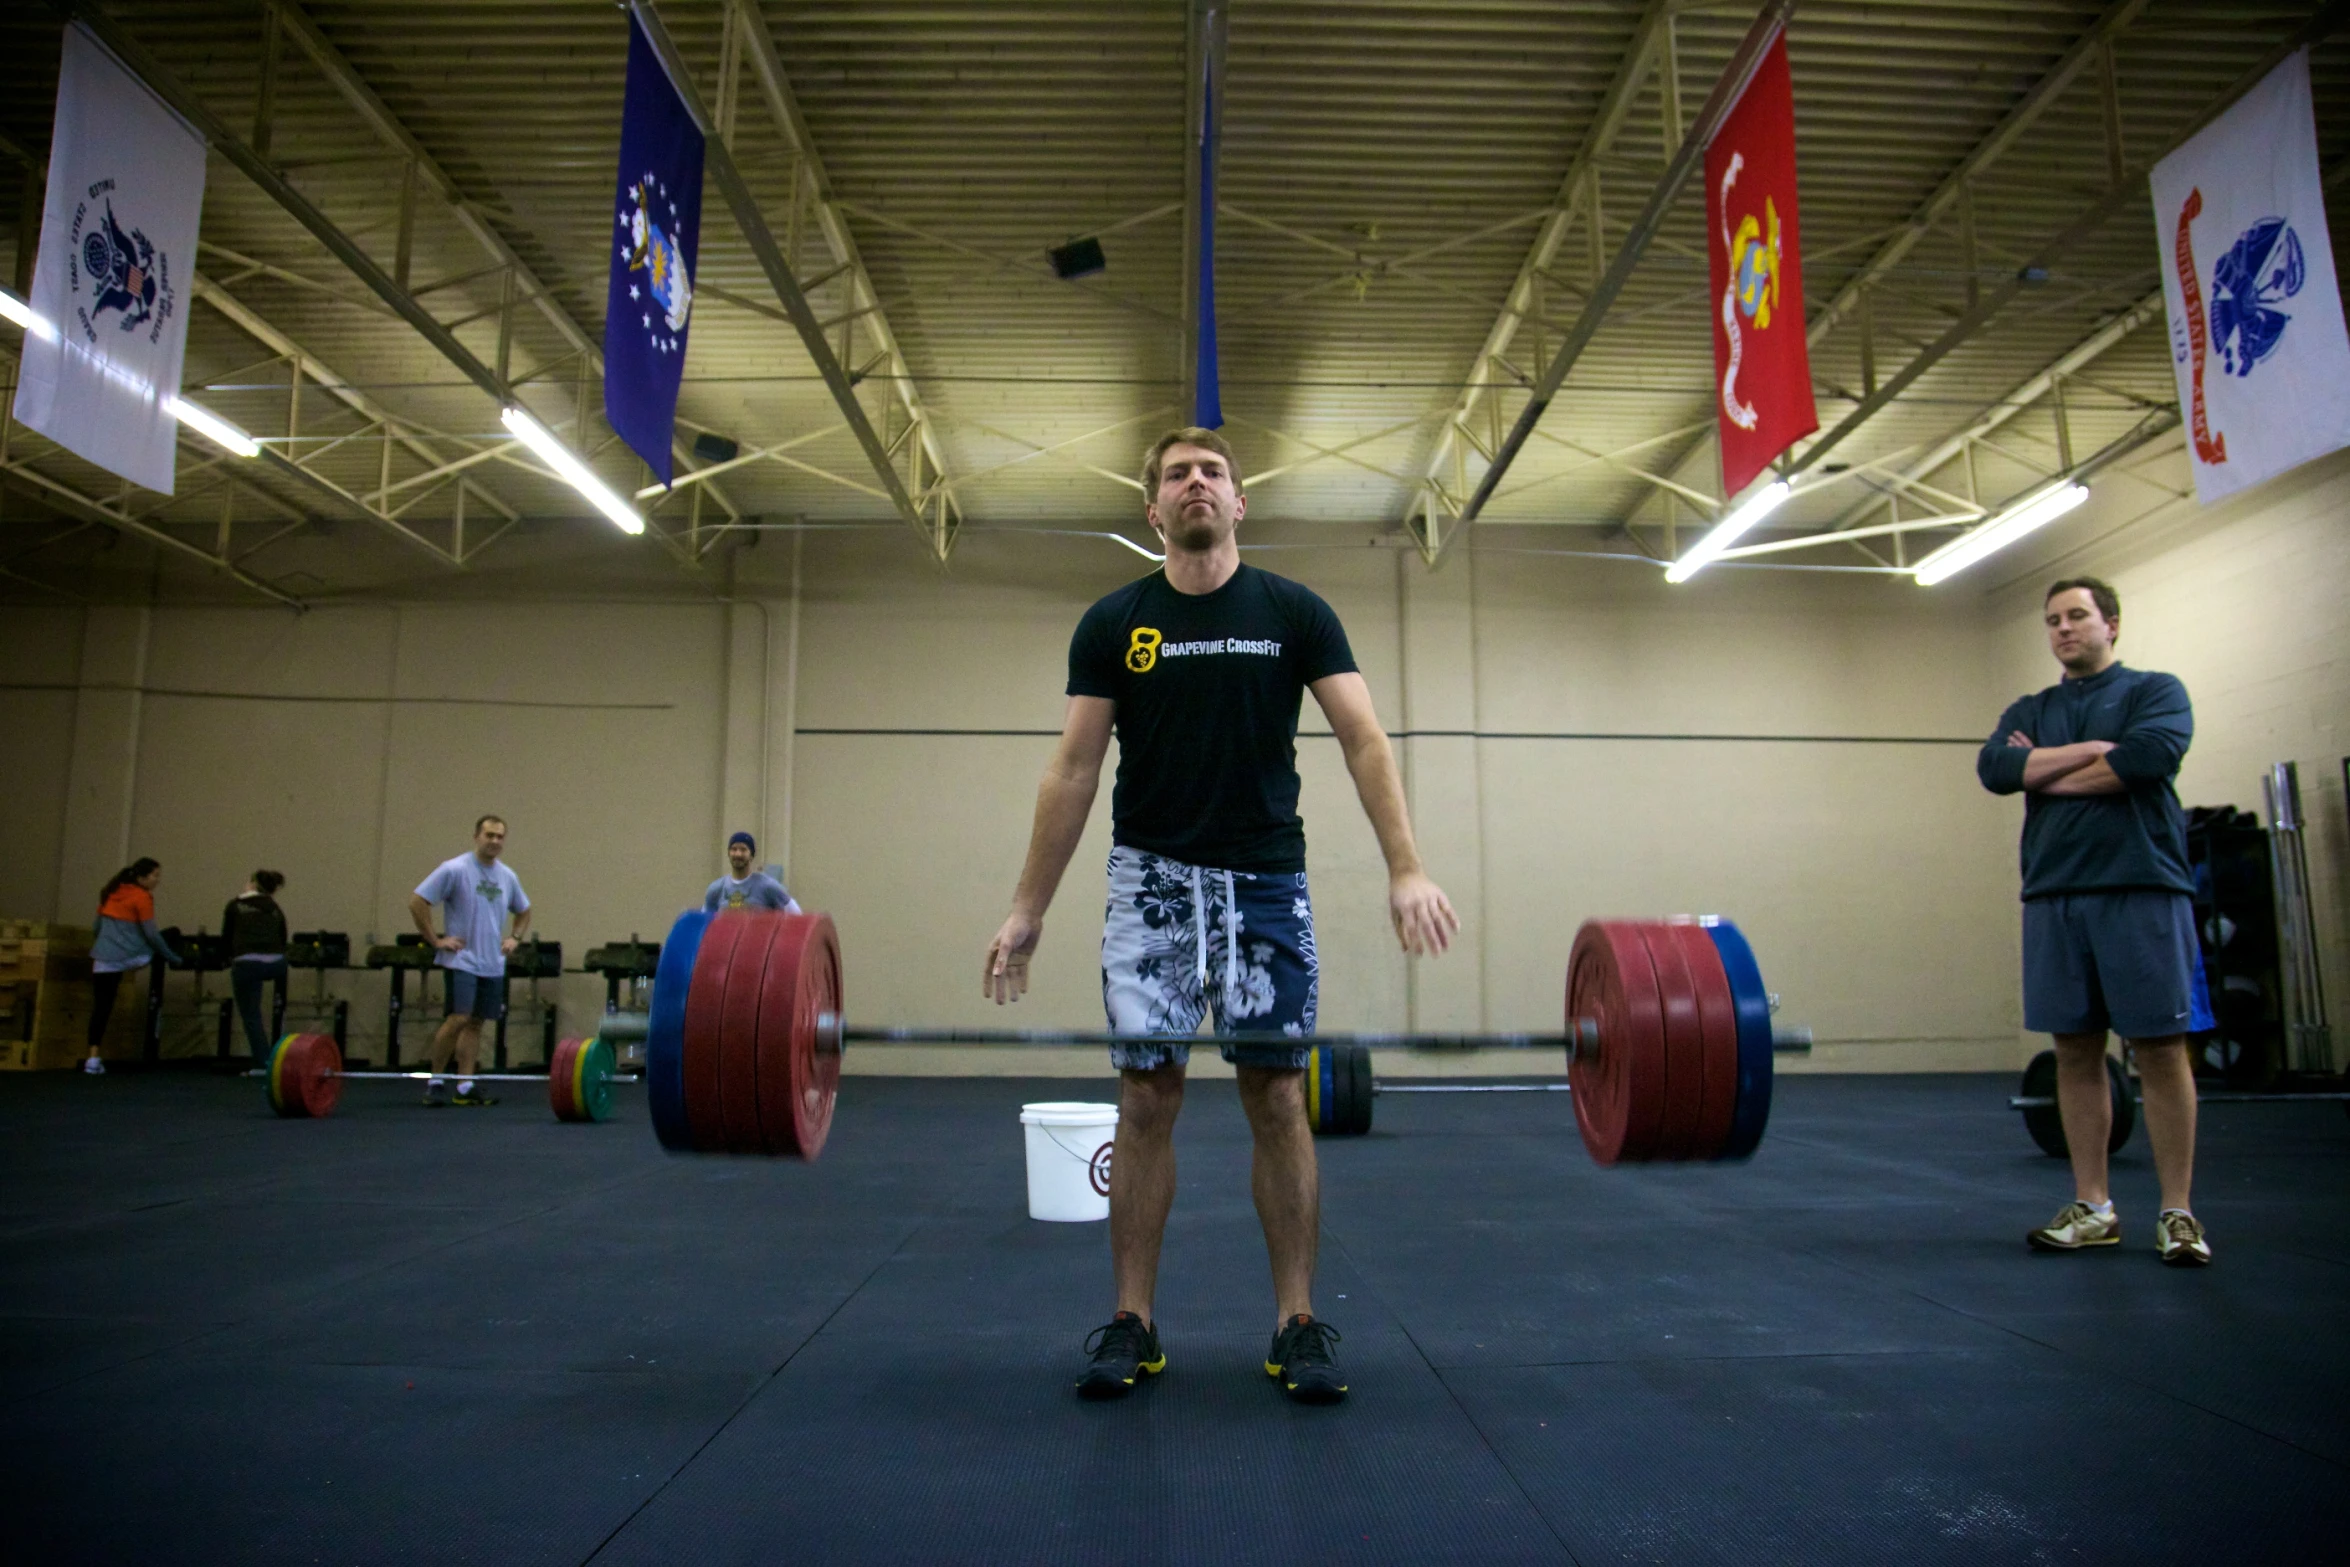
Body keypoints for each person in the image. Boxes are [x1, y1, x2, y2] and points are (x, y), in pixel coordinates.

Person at [983, 427, 1459, 1405]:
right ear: (1152, 510)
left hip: (1263, 882)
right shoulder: (1115, 621)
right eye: (1175, 474)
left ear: (1239, 503)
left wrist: (1406, 868)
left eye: (1212, 473)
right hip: (1148, 884)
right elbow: (1074, 768)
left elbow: (1364, 740)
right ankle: (1132, 1321)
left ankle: (1295, 1322)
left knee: (1277, 1097)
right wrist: (1027, 908)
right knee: (1147, 1098)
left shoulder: (1295, 613)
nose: (1195, 483)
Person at [1977, 577, 2209, 1266]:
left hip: (2141, 886)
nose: (2064, 628)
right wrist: (2090, 753)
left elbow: (2147, 759)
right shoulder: (2032, 705)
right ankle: (2094, 1204)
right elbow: (1995, 767)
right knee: (2075, 1051)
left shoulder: (2155, 692)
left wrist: (2040, 770)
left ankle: (2177, 1212)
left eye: (2078, 616)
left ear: (2111, 623)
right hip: (2054, 893)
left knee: (2161, 1049)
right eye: (2052, 620)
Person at [408, 816, 531, 1108]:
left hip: (492, 963)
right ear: (476, 836)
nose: (495, 841)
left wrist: (515, 937)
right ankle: (436, 1081)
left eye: (500, 837)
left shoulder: (507, 876)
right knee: (458, 1018)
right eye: (489, 835)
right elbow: (417, 902)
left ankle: (464, 1085)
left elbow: (524, 911)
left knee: (475, 1023)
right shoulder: (455, 869)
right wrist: (436, 940)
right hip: (461, 960)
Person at [87, 858, 179, 1074]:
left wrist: (106, 945)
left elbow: (96, 927)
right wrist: (172, 957)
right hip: (132, 956)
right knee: (171, 934)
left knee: (101, 1008)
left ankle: (92, 1059)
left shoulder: (110, 892)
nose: (158, 880)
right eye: (155, 875)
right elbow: (151, 935)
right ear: (142, 878)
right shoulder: (142, 897)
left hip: (103, 958)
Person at [222, 871, 291, 1071]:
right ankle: (280, 1053)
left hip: (248, 962)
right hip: (277, 963)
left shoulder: (235, 905)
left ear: (252, 884)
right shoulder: (275, 908)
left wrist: (226, 960)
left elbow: (227, 938)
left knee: (252, 1015)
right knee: (274, 1005)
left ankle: (265, 1062)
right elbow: (282, 936)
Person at [703, 831, 802, 913]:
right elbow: (704, 922)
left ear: (751, 855)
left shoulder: (768, 886)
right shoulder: (716, 889)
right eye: (734, 849)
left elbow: (796, 914)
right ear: (729, 853)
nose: (738, 854)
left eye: (743, 849)